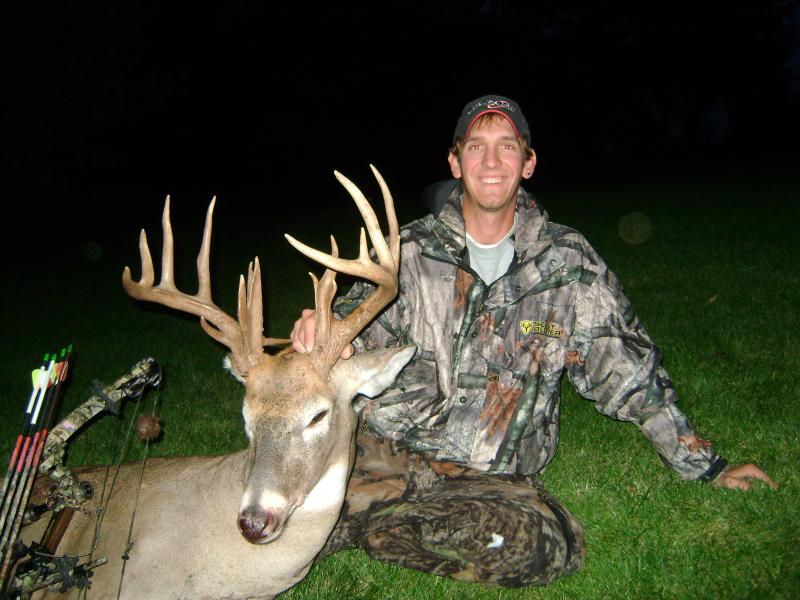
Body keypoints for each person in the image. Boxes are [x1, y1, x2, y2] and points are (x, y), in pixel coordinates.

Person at [290, 94, 776, 586]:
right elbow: (354, 325)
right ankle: (356, 510)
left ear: (528, 162)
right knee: (276, 511)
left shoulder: (568, 263)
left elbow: (629, 371)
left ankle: (365, 523)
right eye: (477, 147)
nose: (492, 161)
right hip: (389, 451)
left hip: (490, 479)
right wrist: (325, 328)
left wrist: (706, 467)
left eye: (508, 146)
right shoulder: (407, 253)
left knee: (543, 551)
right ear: (455, 162)